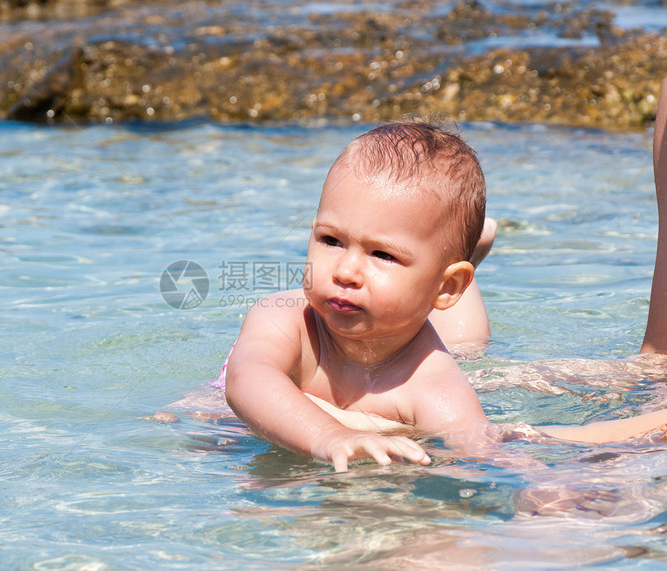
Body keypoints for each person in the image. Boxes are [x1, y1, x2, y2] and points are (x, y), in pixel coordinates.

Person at [225, 75, 667, 472]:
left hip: (430, 315)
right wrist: (327, 436)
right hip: (418, 303)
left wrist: (543, 484)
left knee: (469, 349)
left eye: (382, 254)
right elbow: (249, 380)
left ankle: (456, 258)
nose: (345, 271)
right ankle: (444, 254)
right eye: (331, 240)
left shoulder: (432, 380)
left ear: (448, 286)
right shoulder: (286, 320)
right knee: (465, 343)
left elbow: (482, 452)